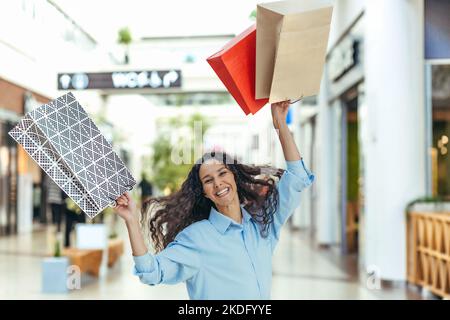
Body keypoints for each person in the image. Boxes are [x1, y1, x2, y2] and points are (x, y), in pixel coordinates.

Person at [115, 101, 315, 299]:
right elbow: (151, 272)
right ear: (204, 192)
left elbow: (297, 178)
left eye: (222, 173)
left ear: (234, 177)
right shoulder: (196, 238)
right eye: (208, 180)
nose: (218, 183)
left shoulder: (261, 224)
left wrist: (280, 122)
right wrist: (132, 220)